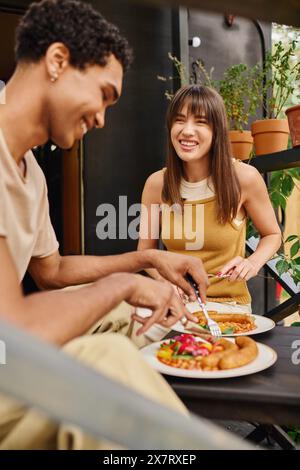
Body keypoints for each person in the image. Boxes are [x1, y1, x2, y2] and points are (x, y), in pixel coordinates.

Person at [0, 0, 209, 449]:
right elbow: (12, 328)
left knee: (124, 313)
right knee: (107, 355)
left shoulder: (29, 173)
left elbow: (51, 272)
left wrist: (147, 261)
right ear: (57, 62)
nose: (101, 118)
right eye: (104, 95)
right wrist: (121, 284)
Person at [138, 85, 281, 317]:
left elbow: (273, 235)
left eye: (201, 122)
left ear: (217, 130)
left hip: (229, 307)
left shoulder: (245, 178)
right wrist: (166, 281)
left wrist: (252, 263)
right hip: (176, 305)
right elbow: (145, 254)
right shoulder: (156, 184)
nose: (187, 131)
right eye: (180, 120)